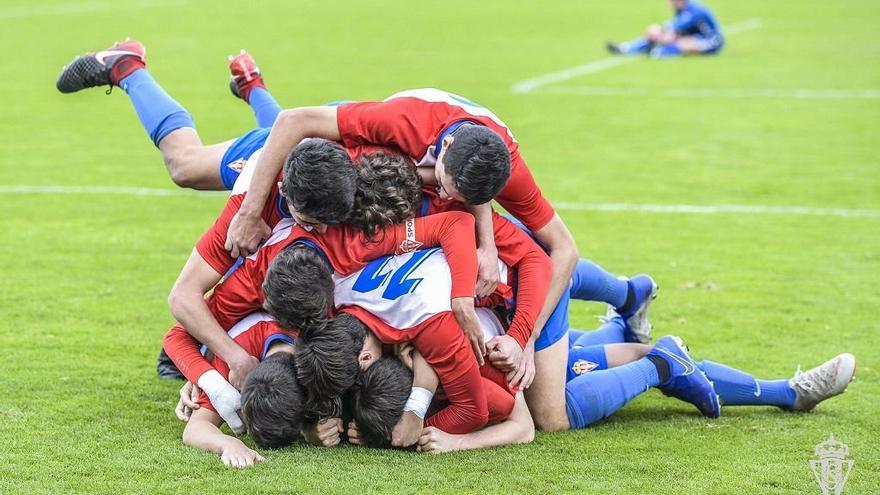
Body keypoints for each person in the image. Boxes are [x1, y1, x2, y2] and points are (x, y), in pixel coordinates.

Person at [166, 312, 303, 467]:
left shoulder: (319, 356)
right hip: (214, 335)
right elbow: (195, 429)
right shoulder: (233, 363)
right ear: (241, 385)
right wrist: (228, 443)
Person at [607, 0, 724, 58]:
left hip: (711, 41)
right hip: (693, 34)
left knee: (680, 43)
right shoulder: (682, 8)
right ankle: (626, 48)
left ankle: (656, 52)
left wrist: (658, 31)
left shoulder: (694, 10)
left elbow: (675, 26)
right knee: (666, 37)